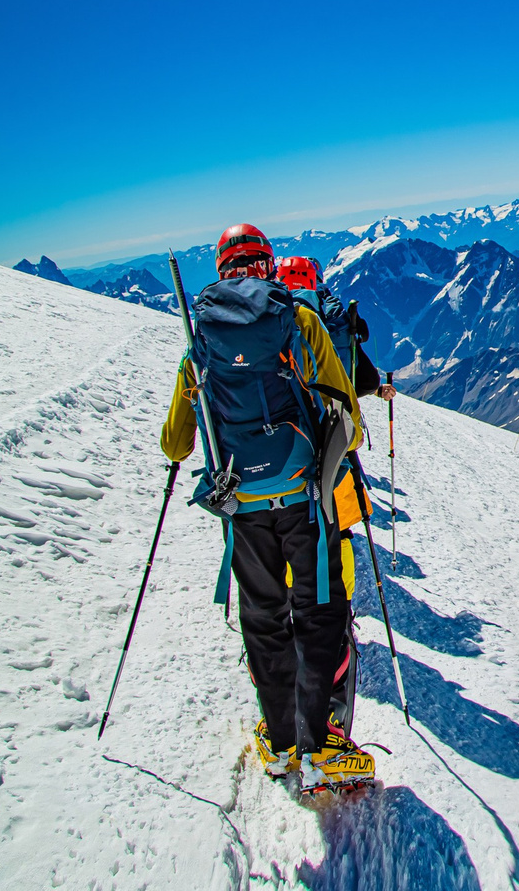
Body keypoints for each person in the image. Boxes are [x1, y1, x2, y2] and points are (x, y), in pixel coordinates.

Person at [160, 224, 376, 792]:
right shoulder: (295, 320)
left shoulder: (200, 337)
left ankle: (280, 743)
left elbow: (176, 444)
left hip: (242, 510)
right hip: (306, 500)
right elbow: (346, 418)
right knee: (318, 613)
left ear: (223, 267)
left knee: (264, 620)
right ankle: (319, 742)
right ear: (266, 265)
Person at [275, 255, 398, 404]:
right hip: (324, 400)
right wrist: (376, 389)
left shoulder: (271, 308)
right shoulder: (330, 310)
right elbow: (367, 381)